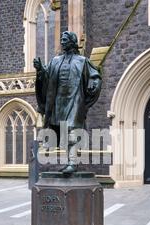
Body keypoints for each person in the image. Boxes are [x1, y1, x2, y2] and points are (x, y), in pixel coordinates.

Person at [34, 31, 102, 174]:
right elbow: (46, 77)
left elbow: (95, 75)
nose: (62, 42)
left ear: (72, 41)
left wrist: (94, 84)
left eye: (65, 40)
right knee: (64, 132)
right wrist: (40, 70)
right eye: (61, 40)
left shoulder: (82, 61)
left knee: (72, 131)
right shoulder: (55, 61)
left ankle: (72, 162)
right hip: (58, 102)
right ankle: (70, 162)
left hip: (75, 100)